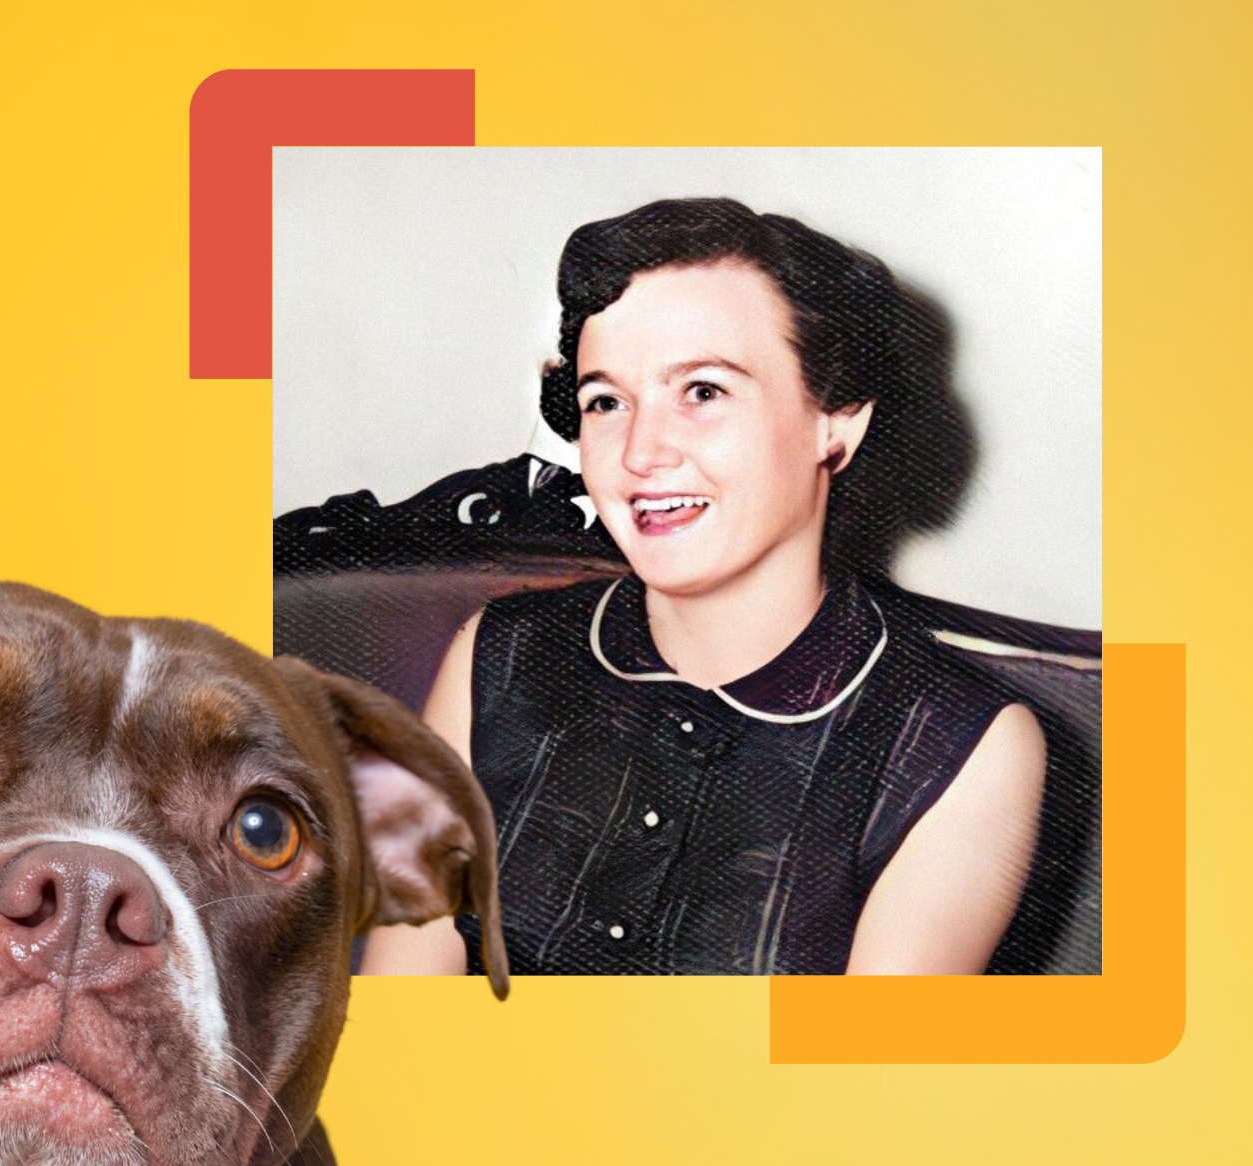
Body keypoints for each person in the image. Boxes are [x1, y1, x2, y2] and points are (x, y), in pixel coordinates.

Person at [340, 198, 1049, 975]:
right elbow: (404, 1015)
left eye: (703, 392)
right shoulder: (497, 655)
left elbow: (868, 1091)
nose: (641, 452)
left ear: (835, 420)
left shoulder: (961, 746)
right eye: (606, 402)